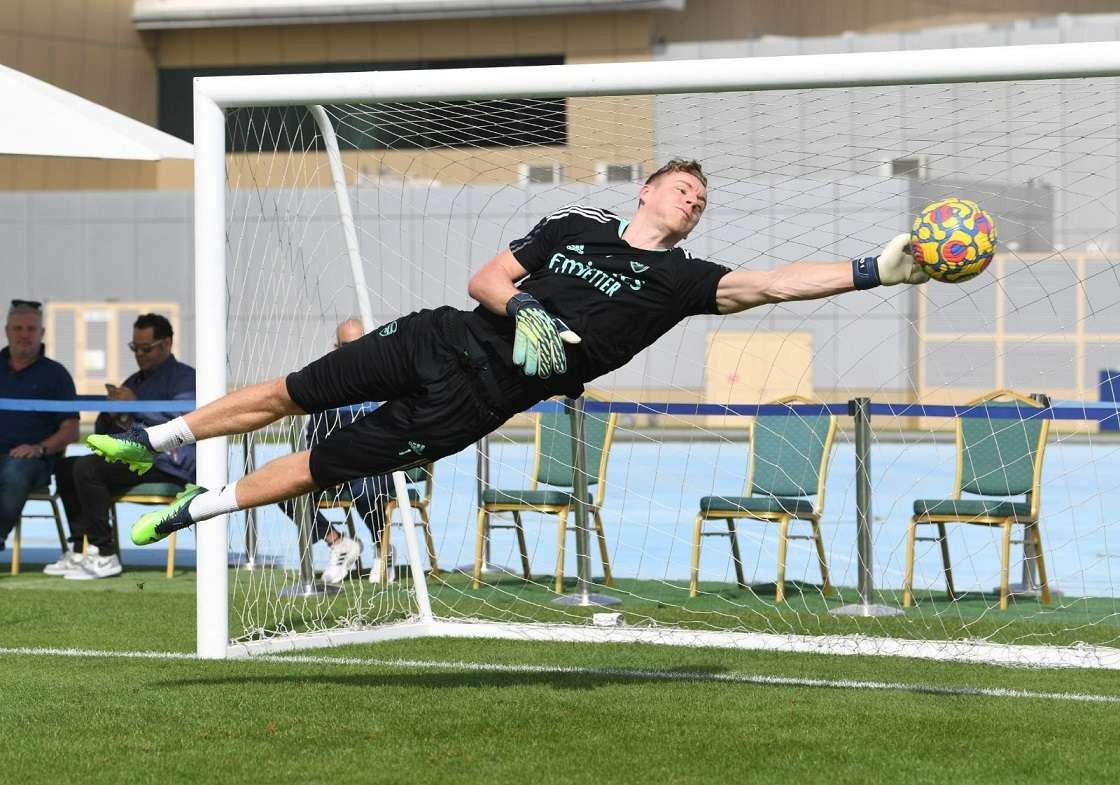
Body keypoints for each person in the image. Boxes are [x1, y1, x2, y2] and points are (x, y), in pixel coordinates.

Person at [87, 159, 927, 548]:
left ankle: (191, 509)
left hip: (472, 402)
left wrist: (870, 272)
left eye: (702, 199)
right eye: (683, 188)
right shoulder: (573, 227)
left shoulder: (681, 280)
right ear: (646, 189)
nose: (694, 200)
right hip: (438, 337)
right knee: (291, 389)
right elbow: (486, 275)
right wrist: (523, 307)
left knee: (323, 465)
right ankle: (154, 441)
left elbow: (776, 282)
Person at [46, 314, 194, 579]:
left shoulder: (185, 379)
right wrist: (113, 414)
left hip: (168, 462)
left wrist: (134, 407)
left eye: (146, 348)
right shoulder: (135, 381)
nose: (139, 354)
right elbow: (107, 431)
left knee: (86, 468)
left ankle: (104, 554)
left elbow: (185, 426)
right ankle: (80, 549)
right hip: (136, 458)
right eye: (134, 348)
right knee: (66, 467)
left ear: (167, 344)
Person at [279, 319, 398, 586]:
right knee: (282, 488)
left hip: (380, 462)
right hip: (335, 463)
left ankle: (384, 547)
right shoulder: (325, 383)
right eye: (347, 346)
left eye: (359, 344)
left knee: (366, 489)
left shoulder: (390, 376)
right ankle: (339, 542)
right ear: (336, 348)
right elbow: (313, 437)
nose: (354, 351)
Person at [0, 299, 79, 550]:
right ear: (7, 331)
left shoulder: (57, 375)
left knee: (15, 469)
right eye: (18, 328)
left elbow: (71, 430)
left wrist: (39, 448)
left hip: (32, 461)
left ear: (42, 333)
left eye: (31, 329)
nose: (24, 335)